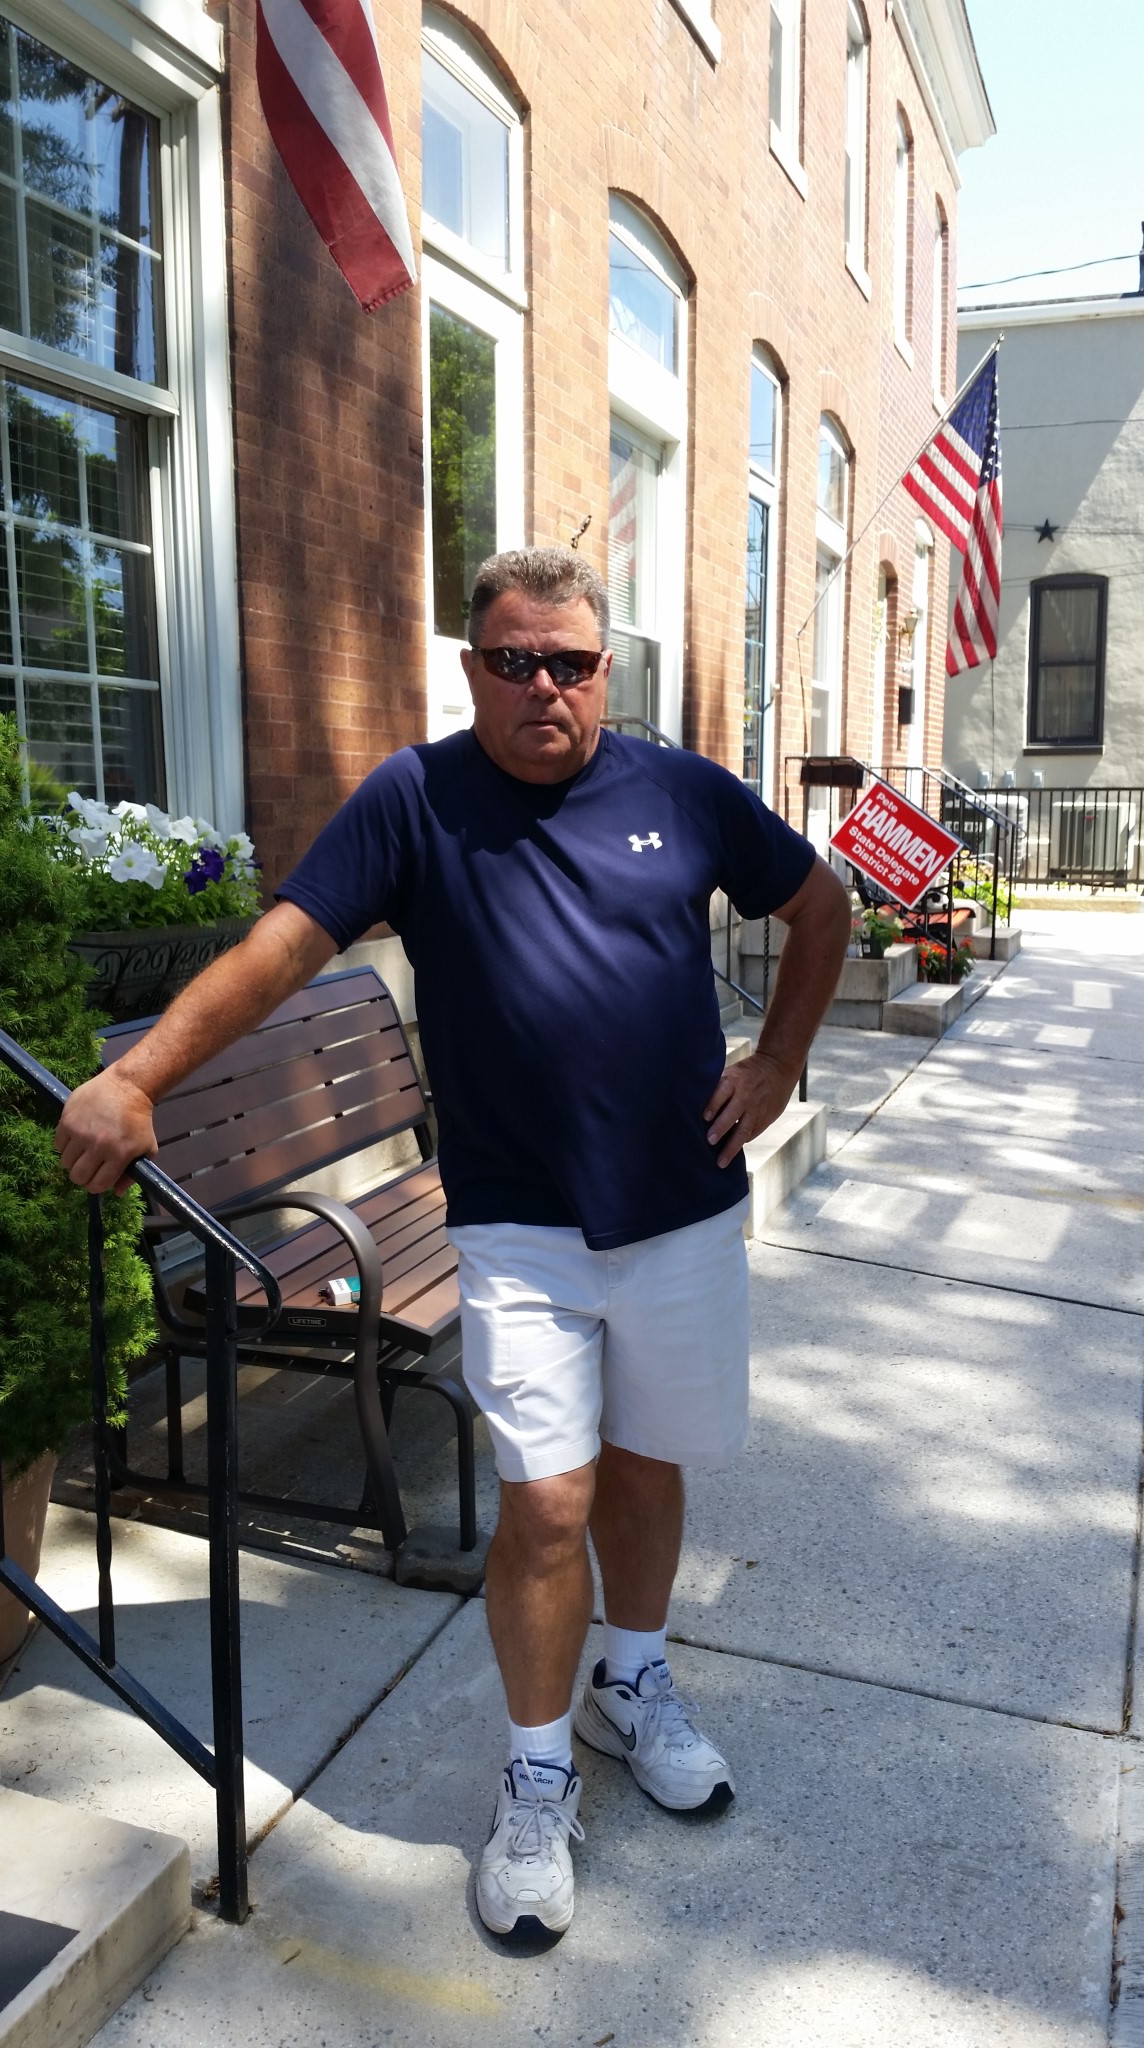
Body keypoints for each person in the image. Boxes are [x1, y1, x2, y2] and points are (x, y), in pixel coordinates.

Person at [54, 545, 850, 1946]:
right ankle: (537, 1773)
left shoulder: (681, 791)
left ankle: (630, 1684)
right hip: (518, 1222)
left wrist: (779, 1059)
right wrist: (138, 1077)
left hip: (682, 1204)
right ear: (474, 668)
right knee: (546, 1501)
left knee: (649, 1463)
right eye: (514, 661)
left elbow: (821, 904)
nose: (545, 686)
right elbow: (283, 950)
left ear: (606, 669)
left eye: (572, 663)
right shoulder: (414, 800)